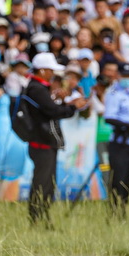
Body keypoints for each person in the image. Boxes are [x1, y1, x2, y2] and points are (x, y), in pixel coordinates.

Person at [22, 52, 88, 227]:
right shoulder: (37, 88)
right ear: (43, 70)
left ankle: (43, 218)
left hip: (44, 142)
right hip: (42, 142)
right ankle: (36, 218)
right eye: (51, 70)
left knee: (47, 183)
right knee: (42, 183)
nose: (53, 74)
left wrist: (59, 101)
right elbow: (53, 112)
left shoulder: (38, 88)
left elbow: (48, 110)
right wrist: (72, 106)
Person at [103, 62, 129, 219]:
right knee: (118, 179)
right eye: (125, 76)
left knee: (127, 179)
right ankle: (113, 211)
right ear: (118, 76)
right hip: (120, 142)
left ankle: (123, 211)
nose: (128, 79)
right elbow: (109, 118)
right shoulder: (114, 93)